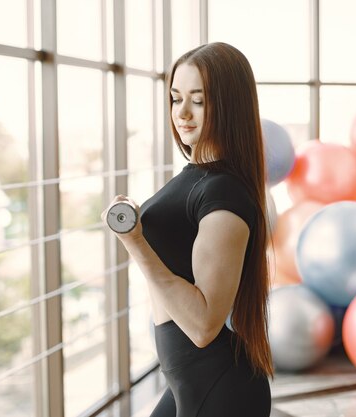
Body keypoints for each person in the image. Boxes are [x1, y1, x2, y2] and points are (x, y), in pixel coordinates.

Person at [102, 42, 273, 416]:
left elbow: (203, 325)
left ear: (229, 105)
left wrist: (134, 241)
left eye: (198, 99)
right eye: (176, 97)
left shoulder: (224, 192)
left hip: (220, 388)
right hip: (189, 381)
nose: (182, 112)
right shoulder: (199, 178)